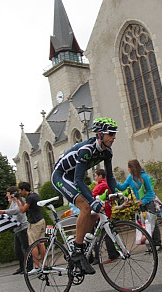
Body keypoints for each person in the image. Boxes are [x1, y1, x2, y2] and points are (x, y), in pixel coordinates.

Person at [51, 117, 119, 275]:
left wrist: (115, 193)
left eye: (115, 133)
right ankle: (77, 251)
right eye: (111, 134)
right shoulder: (86, 149)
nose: (114, 137)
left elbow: (110, 177)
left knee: (95, 214)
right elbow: (78, 180)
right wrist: (91, 200)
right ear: (100, 134)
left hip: (73, 178)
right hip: (61, 177)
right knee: (87, 206)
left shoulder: (107, 151)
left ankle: (81, 245)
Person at [117, 159, 162, 252]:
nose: (127, 169)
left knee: (152, 223)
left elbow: (150, 191)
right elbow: (122, 187)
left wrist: (143, 200)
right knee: (144, 224)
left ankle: (157, 243)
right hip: (140, 204)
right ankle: (149, 245)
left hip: (148, 202)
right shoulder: (130, 178)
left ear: (131, 168)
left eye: (128, 167)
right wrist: (113, 182)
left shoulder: (144, 177)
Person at [0, 186, 29, 275]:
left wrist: (4, 211)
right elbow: (12, 210)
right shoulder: (13, 202)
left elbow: (17, 210)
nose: (6, 195)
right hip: (16, 228)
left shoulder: (19, 200)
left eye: (7, 193)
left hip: (22, 226)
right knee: (17, 249)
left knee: (25, 248)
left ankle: (27, 267)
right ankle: (22, 266)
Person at [92, 168, 121, 260]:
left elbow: (92, 195)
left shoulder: (101, 185)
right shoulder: (107, 183)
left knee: (106, 232)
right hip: (108, 208)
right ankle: (117, 251)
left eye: (96, 176)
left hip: (104, 209)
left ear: (100, 176)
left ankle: (112, 255)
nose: (95, 178)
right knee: (109, 231)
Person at [17, 181, 45, 274]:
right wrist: (21, 199)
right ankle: (44, 263)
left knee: (33, 244)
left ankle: (37, 266)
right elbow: (28, 206)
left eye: (20, 190)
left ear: (24, 189)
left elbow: (23, 210)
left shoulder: (29, 198)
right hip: (41, 220)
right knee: (41, 243)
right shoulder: (34, 195)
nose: (20, 192)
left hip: (34, 223)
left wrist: (17, 201)